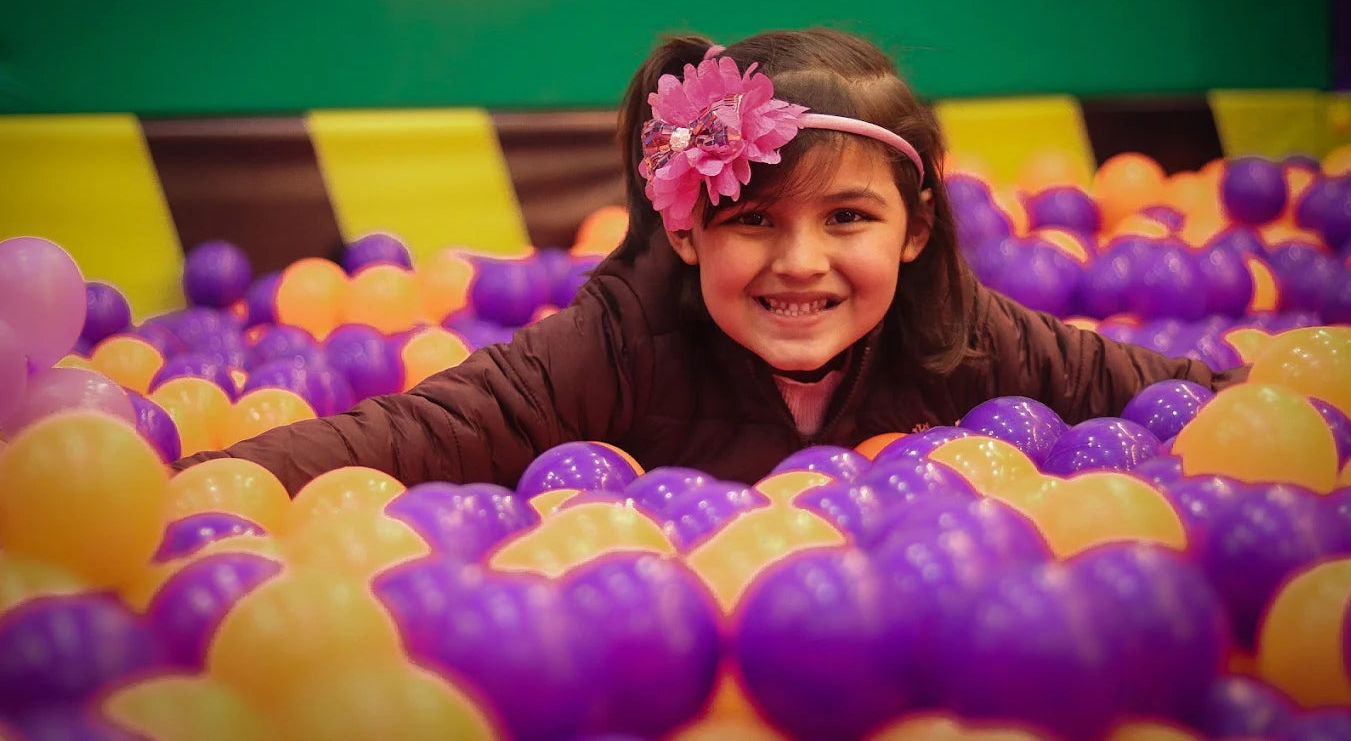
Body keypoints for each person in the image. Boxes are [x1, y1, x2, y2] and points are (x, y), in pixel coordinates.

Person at [173, 28, 1246, 494]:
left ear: (915, 230)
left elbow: (1162, 398)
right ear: (686, 231)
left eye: (847, 221)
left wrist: (1263, 405)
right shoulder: (617, 340)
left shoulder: (961, 334)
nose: (799, 263)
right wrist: (211, 484)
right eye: (752, 222)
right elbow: (420, 433)